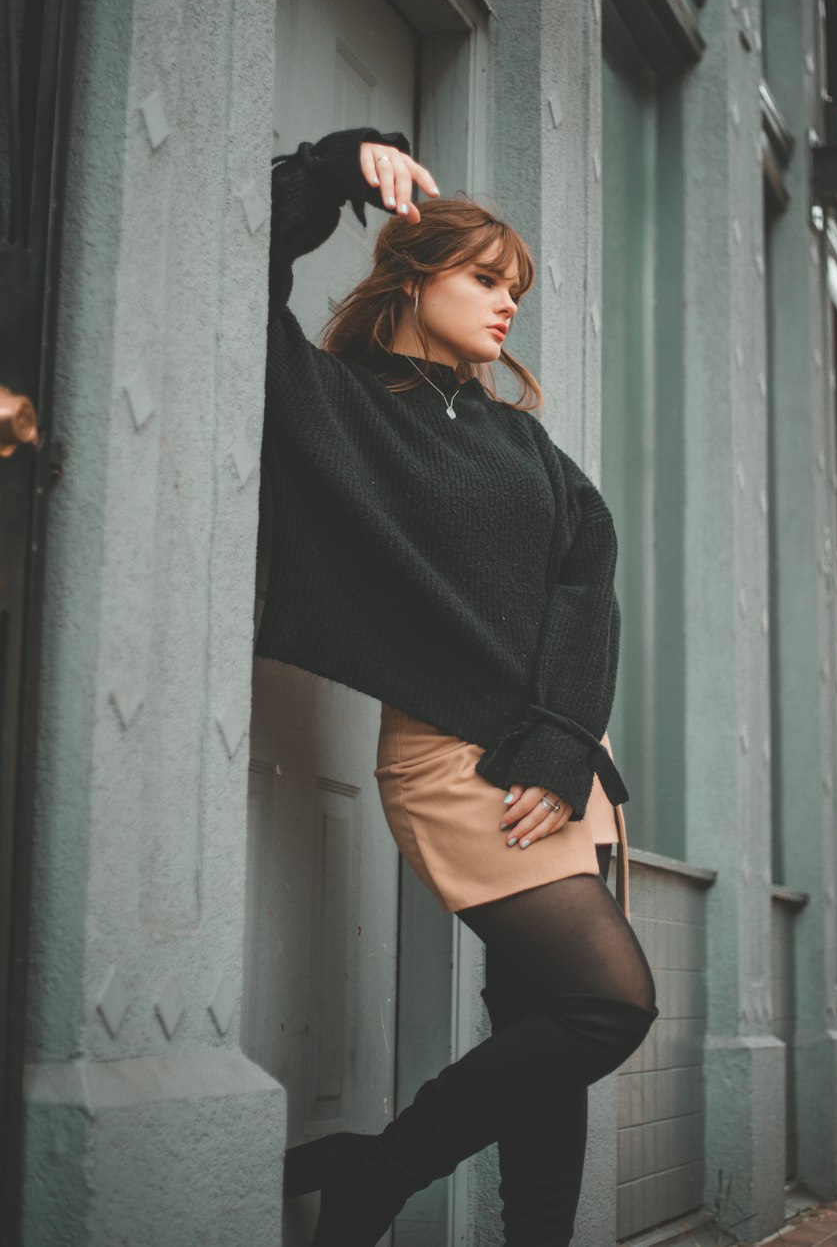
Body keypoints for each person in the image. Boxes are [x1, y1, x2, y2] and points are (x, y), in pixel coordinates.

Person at [260, 126, 658, 1246]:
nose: (506, 305)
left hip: (559, 767)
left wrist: (563, 738)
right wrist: (336, 166)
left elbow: (593, 570)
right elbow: (234, 261)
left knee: (548, 1044)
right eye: (486, 279)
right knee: (607, 1004)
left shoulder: (521, 445)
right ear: (410, 270)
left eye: (515, 289)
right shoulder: (333, 401)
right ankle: (377, 1170)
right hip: (452, 760)